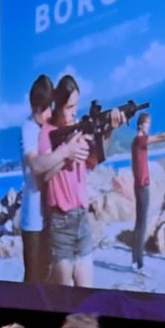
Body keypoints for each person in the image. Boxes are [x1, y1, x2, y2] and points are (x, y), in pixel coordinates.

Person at [37, 75, 125, 286]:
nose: (74, 111)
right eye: (69, 107)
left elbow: (94, 161)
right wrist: (67, 153)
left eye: (76, 105)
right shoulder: (47, 133)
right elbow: (43, 177)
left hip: (82, 220)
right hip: (60, 222)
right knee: (64, 299)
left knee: (86, 294)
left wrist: (110, 129)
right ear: (58, 105)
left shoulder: (78, 128)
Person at [130, 114, 165, 271]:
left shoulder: (137, 141)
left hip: (140, 186)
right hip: (141, 187)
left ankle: (136, 260)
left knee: (140, 223)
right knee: (142, 224)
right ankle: (138, 263)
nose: (149, 126)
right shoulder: (140, 140)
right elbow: (161, 137)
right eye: (147, 124)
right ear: (140, 125)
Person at [19, 75, 54, 283]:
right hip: (32, 215)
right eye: (48, 108)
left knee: (46, 274)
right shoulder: (28, 128)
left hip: (48, 212)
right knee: (32, 276)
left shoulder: (45, 128)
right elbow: (35, 164)